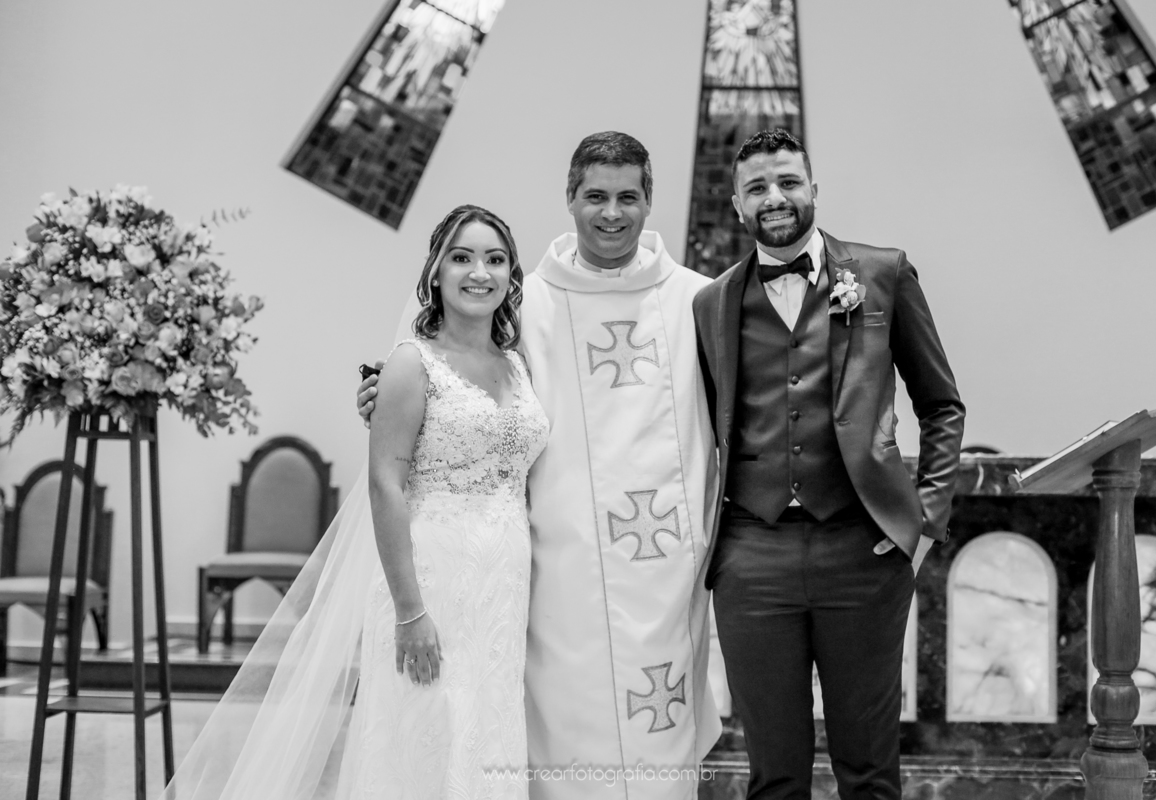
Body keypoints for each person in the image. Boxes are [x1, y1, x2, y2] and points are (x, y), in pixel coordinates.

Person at [360, 132, 721, 799]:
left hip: (662, 574)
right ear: (569, 198)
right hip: (554, 577)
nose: (611, 213)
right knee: (459, 732)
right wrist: (381, 399)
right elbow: (441, 376)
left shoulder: (700, 302)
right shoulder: (527, 305)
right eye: (595, 196)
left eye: (627, 197)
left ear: (650, 201)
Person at [163, 204, 548, 800]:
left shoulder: (520, 367)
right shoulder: (411, 364)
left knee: (486, 735)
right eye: (462, 257)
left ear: (511, 275)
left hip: (502, 588)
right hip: (429, 583)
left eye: (495, 259)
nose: (480, 272)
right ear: (436, 272)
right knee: (419, 740)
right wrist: (410, 612)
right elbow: (384, 486)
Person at [692, 128, 965, 799]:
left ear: (814, 189)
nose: (774, 197)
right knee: (773, 774)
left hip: (862, 549)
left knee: (869, 770)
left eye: (788, 182)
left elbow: (941, 405)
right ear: (736, 204)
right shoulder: (710, 303)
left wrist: (924, 522)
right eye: (757, 187)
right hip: (752, 556)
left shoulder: (883, 273)